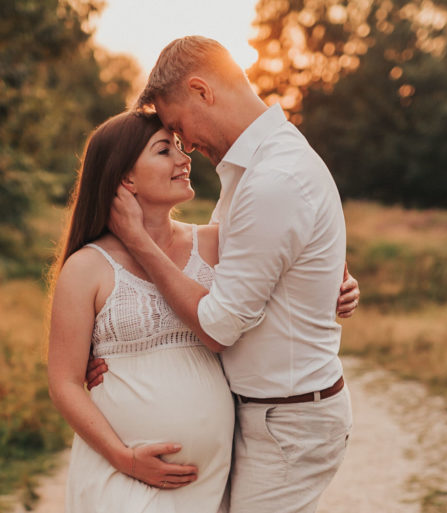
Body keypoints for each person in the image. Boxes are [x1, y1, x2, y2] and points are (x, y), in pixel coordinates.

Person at [48, 109, 359, 512]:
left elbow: (296, 258)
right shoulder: (86, 267)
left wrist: (339, 287)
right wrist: (124, 458)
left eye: (179, 146)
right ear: (125, 178)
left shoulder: (215, 244)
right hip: (122, 472)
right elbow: (65, 383)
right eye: (165, 150)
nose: (184, 158)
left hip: (211, 482)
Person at [106, 36, 355, 512]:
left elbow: (219, 326)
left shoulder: (273, 178)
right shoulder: (251, 171)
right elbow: (219, 264)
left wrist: (137, 240)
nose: (188, 146)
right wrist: (114, 355)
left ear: (203, 90)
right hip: (266, 417)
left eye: (180, 127)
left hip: (286, 422)